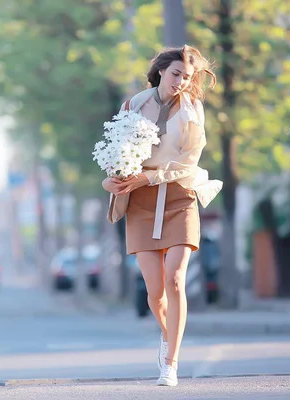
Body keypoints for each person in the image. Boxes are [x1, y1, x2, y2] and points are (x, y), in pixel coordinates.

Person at [102, 45, 222, 387]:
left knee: (174, 280)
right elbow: (116, 154)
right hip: (140, 202)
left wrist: (150, 176)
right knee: (155, 294)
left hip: (179, 196)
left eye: (187, 77)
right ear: (161, 71)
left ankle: (170, 363)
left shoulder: (192, 110)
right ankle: (169, 337)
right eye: (176, 74)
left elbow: (189, 162)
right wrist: (111, 178)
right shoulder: (133, 105)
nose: (181, 82)